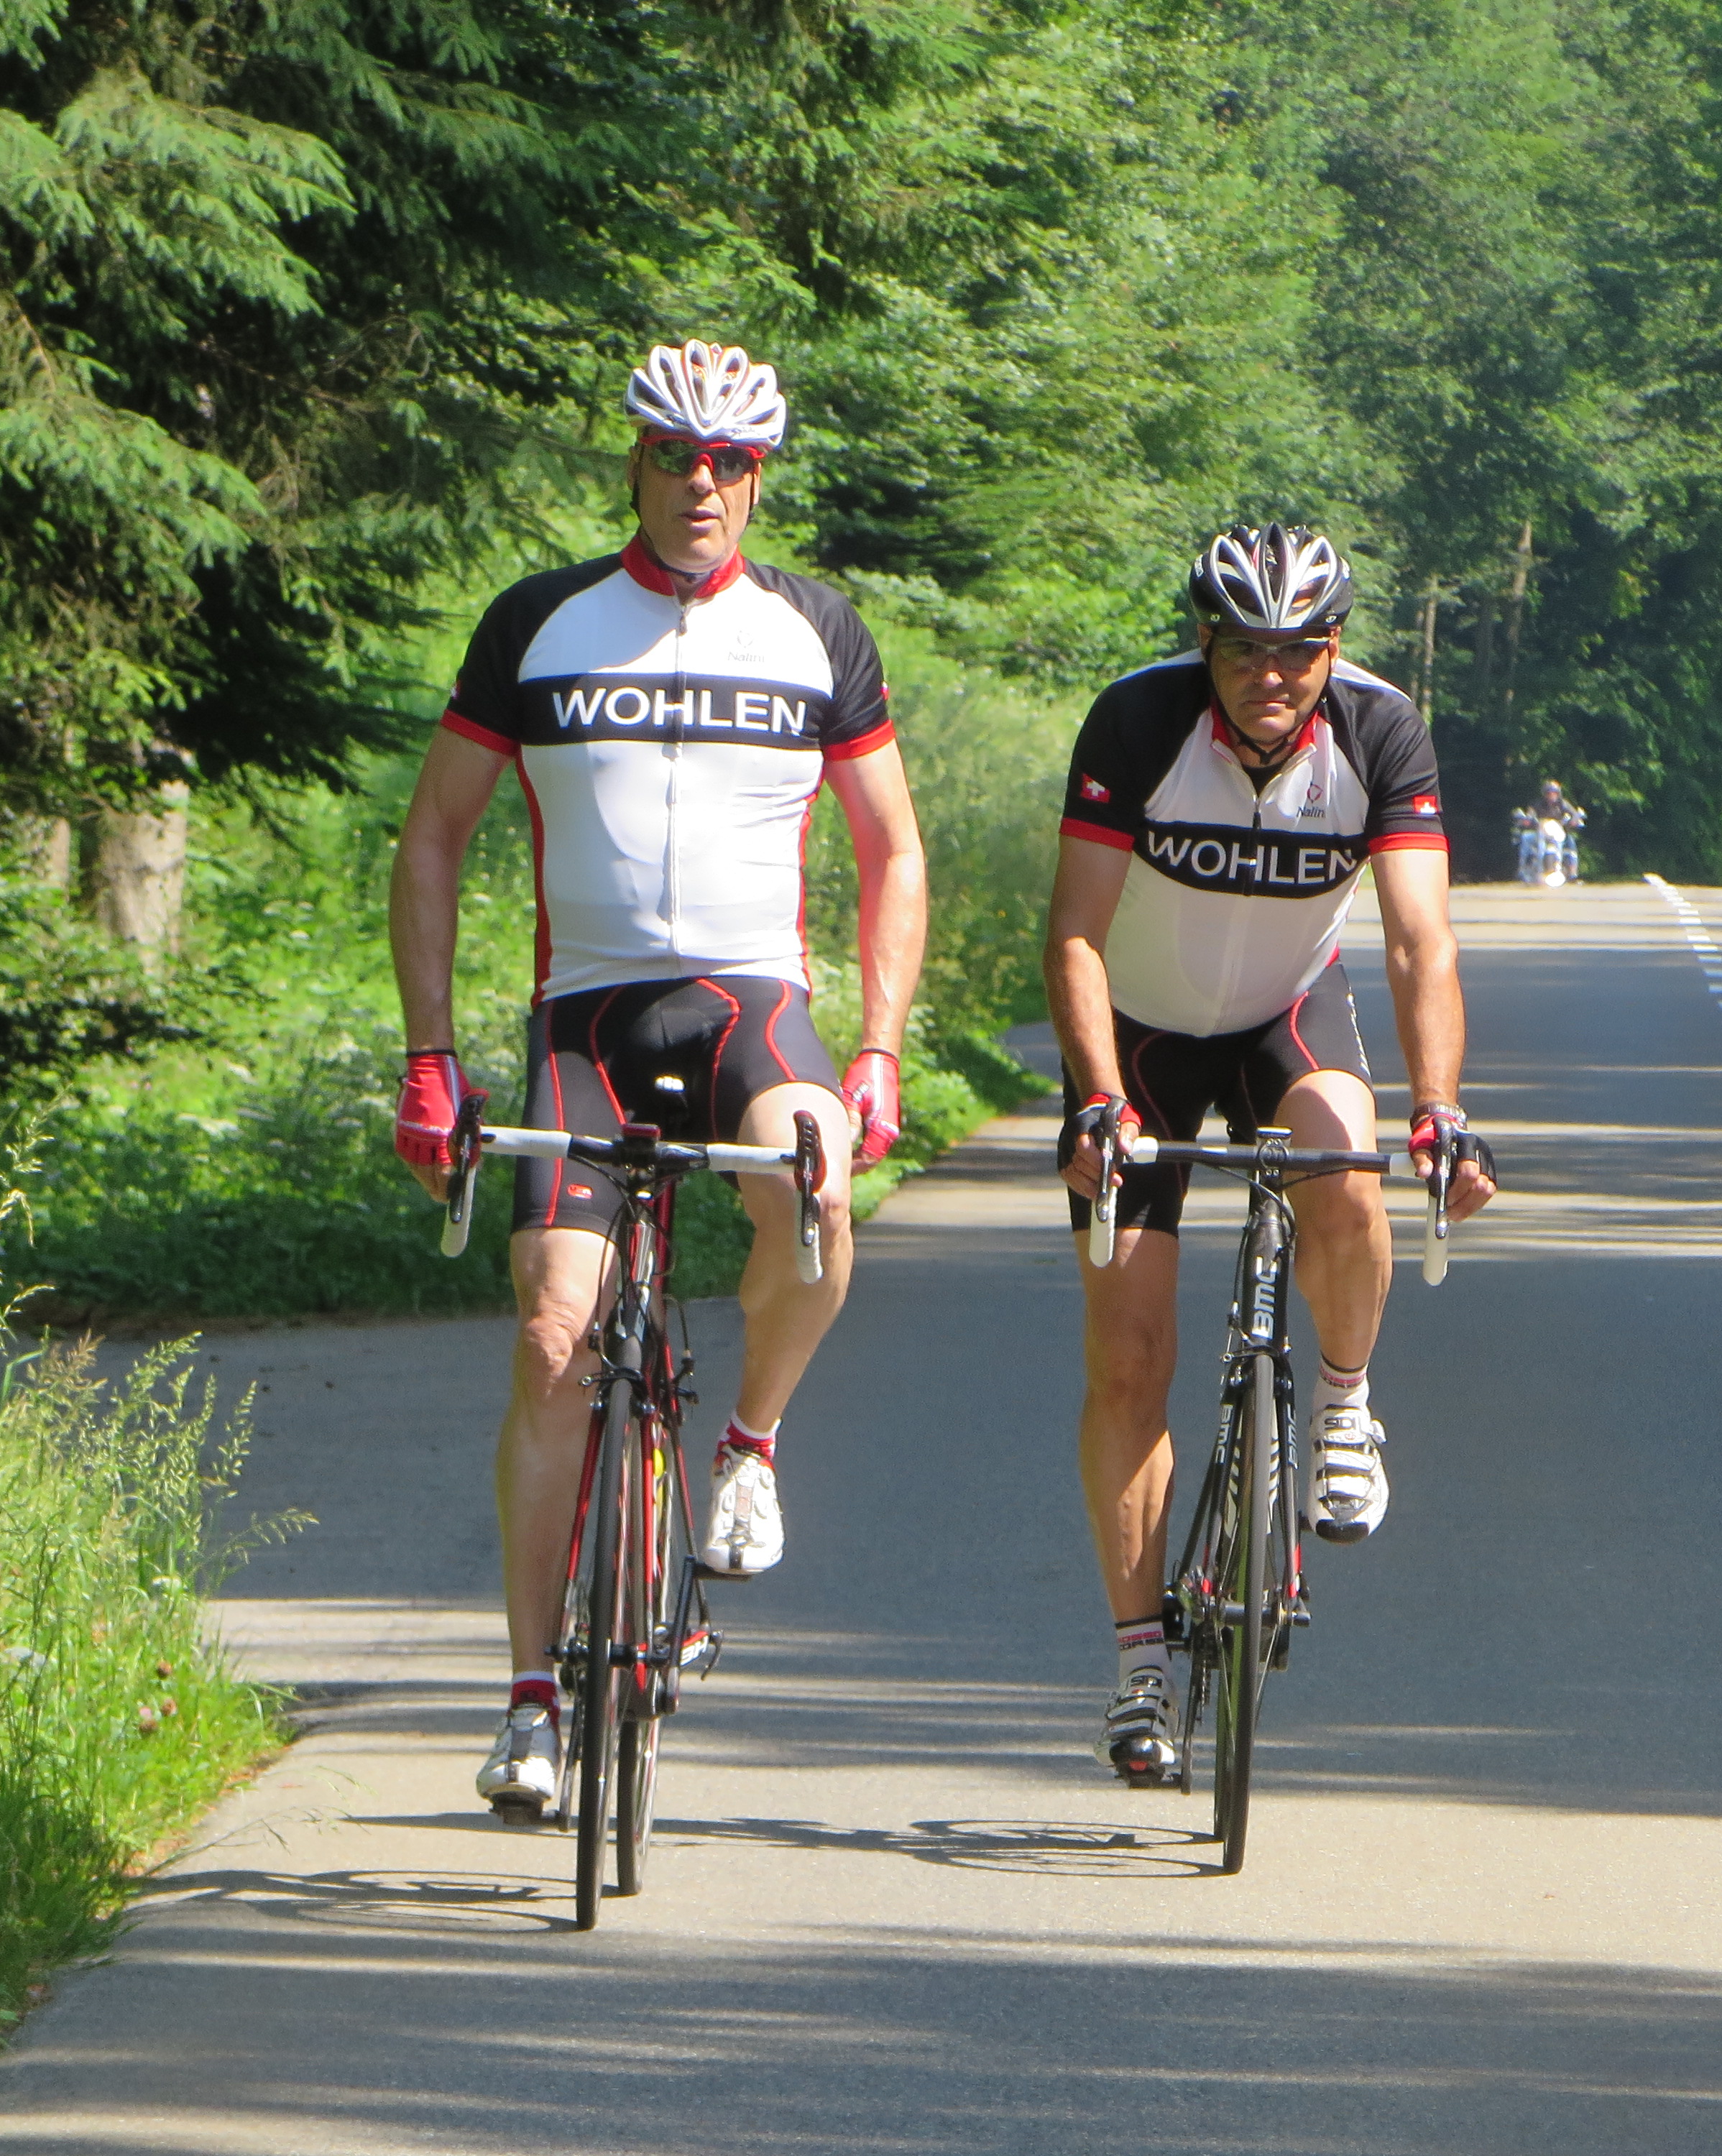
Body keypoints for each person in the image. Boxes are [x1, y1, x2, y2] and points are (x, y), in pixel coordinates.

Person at [387, 340, 929, 1820]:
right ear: (632, 463)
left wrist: (878, 1048)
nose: (702, 485)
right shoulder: (539, 624)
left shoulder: (816, 629)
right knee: (552, 1337)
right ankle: (528, 1701)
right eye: (676, 457)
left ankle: (747, 1446)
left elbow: (891, 849)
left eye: (730, 463)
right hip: (585, 1017)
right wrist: (430, 1055)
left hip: (753, 1006)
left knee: (817, 1189)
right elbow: (433, 836)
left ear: (759, 478)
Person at [1044, 522, 1497, 1786]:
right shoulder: (1139, 721)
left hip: (1287, 1018)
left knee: (1347, 1176)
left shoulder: (1380, 732)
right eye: (1244, 650)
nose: (1271, 675)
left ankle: (1344, 1407)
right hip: (1139, 1039)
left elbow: (1417, 938)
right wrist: (1096, 1099)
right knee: (1130, 1358)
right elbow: (1075, 933)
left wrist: (1440, 1108)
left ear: (1334, 650)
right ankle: (1141, 1664)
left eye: (1298, 651)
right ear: (1207, 644)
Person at [1513, 779, 1585, 881]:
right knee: (1525, 837)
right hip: (1540, 833)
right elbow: (1530, 814)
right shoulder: (1537, 804)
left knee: (1571, 842)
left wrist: (1575, 820)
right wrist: (1527, 820)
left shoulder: (1563, 804)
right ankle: (1522, 869)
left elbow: (1575, 814)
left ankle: (1573, 872)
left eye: (1554, 793)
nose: (1551, 795)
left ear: (1558, 794)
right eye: (1549, 793)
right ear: (1544, 794)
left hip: (1559, 834)